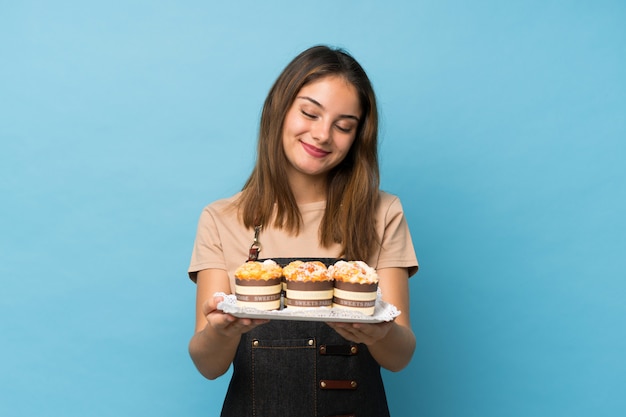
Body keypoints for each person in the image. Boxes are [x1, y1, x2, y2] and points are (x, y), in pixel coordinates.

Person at [187, 45, 418, 417]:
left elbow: (401, 355)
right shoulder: (222, 217)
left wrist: (382, 333)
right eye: (310, 113)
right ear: (280, 108)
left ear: (358, 136)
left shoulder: (382, 211)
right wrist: (221, 331)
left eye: (344, 126)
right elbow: (207, 365)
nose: (323, 134)